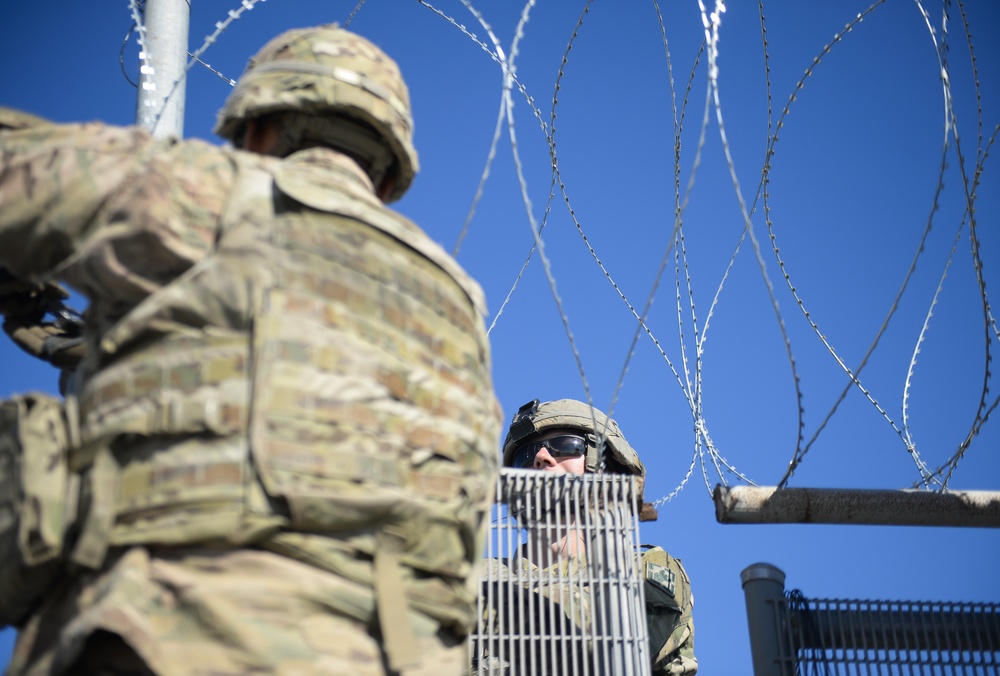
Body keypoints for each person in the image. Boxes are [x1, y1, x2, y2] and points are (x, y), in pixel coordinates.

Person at [0, 23, 500, 675]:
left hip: (183, 631)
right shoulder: (456, 299)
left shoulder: (209, 188)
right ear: (385, 166)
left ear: (260, 126)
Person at [475, 398, 697, 674]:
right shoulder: (479, 576)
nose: (541, 457)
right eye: (525, 456)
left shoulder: (642, 570)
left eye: (565, 445)